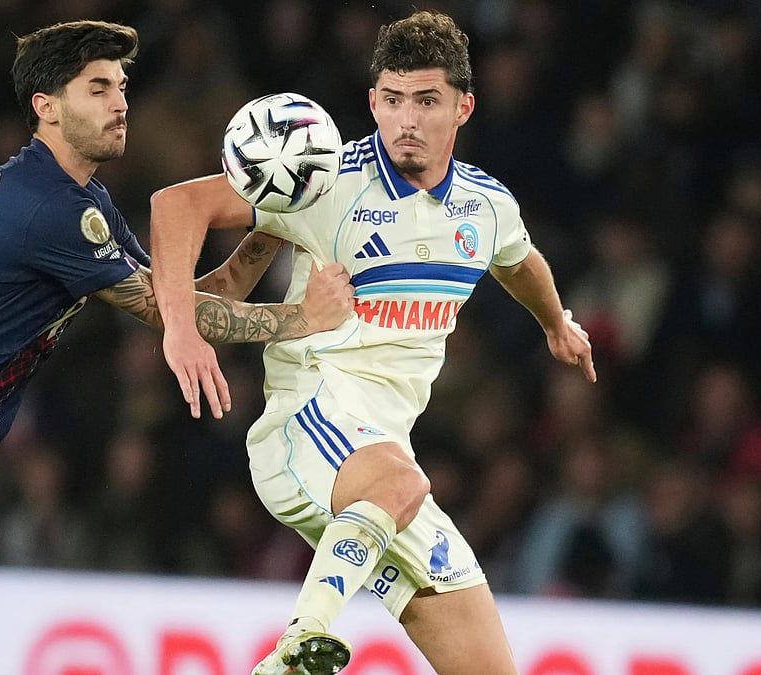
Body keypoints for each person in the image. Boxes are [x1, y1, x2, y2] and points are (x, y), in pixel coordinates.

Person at [0, 20, 354, 675]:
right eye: (98, 88)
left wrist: (272, 220)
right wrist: (297, 319)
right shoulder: (47, 207)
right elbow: (167, 310)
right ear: (47, 107)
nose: (121, 102)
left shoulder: (85, 204)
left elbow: (189, 295)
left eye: (121, 86)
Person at [150, 10, 596, 675]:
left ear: (463, 106)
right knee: (399, 478)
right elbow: (176, 206)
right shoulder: (324, 180)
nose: (406, 118)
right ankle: (298, 646)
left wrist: (556, 321)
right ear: (372, 102)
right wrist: (181, 328)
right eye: (392, 99)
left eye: (426, 100)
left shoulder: (485, 204)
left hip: (382, 471)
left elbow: (518, 261)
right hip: (305, 424)